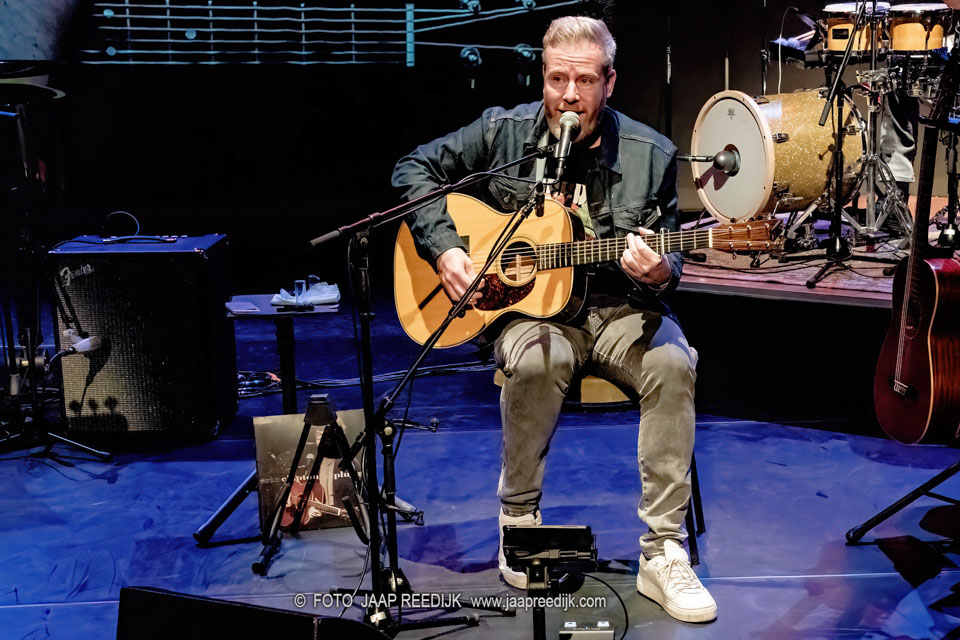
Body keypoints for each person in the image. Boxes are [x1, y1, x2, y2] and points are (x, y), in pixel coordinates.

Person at [391, 16, 717, 624]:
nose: (569, 95)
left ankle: (663, 551)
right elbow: (413, 169)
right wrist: (445, 249)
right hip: (534, 314)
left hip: (623, 309)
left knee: (674, 363)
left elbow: (670, 256)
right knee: (542, 357)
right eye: (557, 79)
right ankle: (518, 520)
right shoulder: (503, 132)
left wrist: (659, 272)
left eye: (585, 81)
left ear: (609, 82)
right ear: (542, 76)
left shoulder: (651, 153)